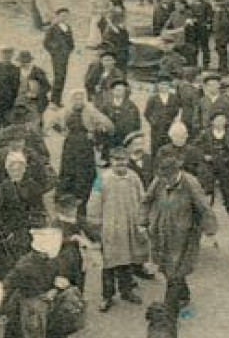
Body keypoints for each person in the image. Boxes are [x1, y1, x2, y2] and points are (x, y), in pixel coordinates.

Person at [144, 145, 212, 313]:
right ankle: (184, 295)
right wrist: (143, 221)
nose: (165, 181)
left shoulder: (191, 183)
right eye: (163, 178)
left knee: (175, 270)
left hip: (184, 236)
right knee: (169, 269)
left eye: (169, 178)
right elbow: (146, 200)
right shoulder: (159, 180)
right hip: (162, 231)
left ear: (177, 172)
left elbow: (204, 208)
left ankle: (169, 308)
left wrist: (209, 232)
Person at [86, 147, 148, 312]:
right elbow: (93, 204)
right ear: (111, 161)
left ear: (128, 161)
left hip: (129, 225)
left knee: (127, 260)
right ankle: (107, 296)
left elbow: (143, 198)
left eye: (123, 162)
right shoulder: (102, 179)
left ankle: (126, 290)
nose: (120, 165)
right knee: (109, 263)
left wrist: (142, 219)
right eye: (116, 161)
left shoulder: (134, 178)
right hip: (110, 227)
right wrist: (95, 225)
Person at [193, 114, 229, 221]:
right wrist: (204, 156)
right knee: (207, 190)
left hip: (224, 165)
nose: (220, 123)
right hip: (209, 166)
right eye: (217, 120)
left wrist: (227, 157)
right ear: (212, 122)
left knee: (227, 189)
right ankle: (205, 214)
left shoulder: (228, 134)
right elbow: (195, 147)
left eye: (222, 121)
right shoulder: (205, 134)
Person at [54, 107, 99, 207]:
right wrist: (61, 130)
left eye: (80, 97)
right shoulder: (67, 111)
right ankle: (66, 198)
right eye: (76, 97)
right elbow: (53, 121)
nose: (78, 100)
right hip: (71, 143)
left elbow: (102, 123)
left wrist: (93, 133)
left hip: (85, 144)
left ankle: (83, 197)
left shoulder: (90, 111)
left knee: (85, 170)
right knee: (68, 168)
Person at [42, 7, 76, 105]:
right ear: (57, 16)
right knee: (59, 77)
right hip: (57, 57)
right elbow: (46, 43)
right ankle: (54, 100)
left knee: (62, 77)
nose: (64, 17)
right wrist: (54, 51)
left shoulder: (68, 27)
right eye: (62, 16)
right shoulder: (53, 28)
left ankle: (57, 99)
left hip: (65, 56)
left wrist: (69, 49)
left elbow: (71, 42)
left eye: (66, 15)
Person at [211, 0, 229, 74]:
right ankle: (221, 67)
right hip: (218, 35)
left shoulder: (223, 11)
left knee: (222, 52)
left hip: (222, 35)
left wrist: (218, 29)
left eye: (219, 1)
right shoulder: (218, 10)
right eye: (216, 2)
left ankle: (224, 69)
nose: (217, 3)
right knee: (219, 51)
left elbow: (226, 23)